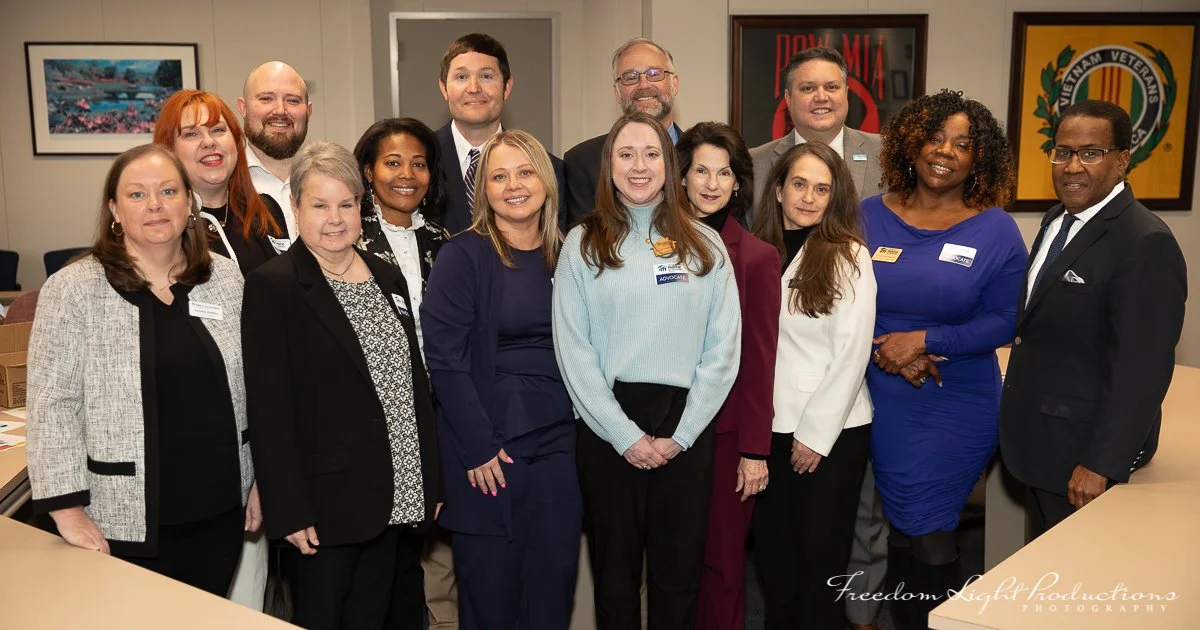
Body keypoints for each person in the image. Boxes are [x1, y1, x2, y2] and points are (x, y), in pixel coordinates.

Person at [26, 144, 258, 597]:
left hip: (220, 512)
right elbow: (52, 406)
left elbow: (256, 390)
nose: (155, 205)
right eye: (137, 194)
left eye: (168, 190)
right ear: (114, 209)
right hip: (121, 520)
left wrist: (260, 481)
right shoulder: (72, 291)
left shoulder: (227, 281)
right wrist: (67, 511)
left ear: (189, 201)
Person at [553, 112, 741, 630]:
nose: (640, 166)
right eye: (626, 154)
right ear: (607, 165)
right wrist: (623, 435)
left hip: (687, 425)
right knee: (615, 579)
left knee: (678, 578)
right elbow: (573, 349)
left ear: (670, 164)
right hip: (605, 426)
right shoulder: (582, 242)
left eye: (652, 154)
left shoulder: (706, 243)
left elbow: (723, 349)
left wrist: (680, 436)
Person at [243, 141, 441, 630]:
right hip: (327, 507)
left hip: (402, 493)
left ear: (362, 207)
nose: (335, 218)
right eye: (319, 205)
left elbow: (414, 385)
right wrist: (287, 506)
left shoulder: (387, 276)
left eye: (346, 204)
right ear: (296, 208)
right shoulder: (275, 285)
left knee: (399, 617)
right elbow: (269, 407)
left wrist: (432, 476)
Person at [863, 90, 1026, 629]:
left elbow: (1005, 321)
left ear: (979, 159)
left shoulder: (996, 228)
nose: (945, 151)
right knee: (905, 527)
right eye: (935, 137)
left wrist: (927, 340)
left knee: (930, 528)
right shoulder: (865, 216)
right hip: (881, 395)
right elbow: (833, 303)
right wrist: (888, 350)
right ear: (910, 142)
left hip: (953, 400)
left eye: (962, 144)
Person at [1000, 100, 1186, 539]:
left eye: (1090, 153)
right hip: (1042, 442)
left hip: (1083, 457)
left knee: (1073, 592)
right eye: (1062, 152)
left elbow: (1141, 370)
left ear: (1122, 160)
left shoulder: (1145, 242)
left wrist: (1102, 462)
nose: (1071, 166)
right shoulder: (1057, 219)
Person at [422, 129, 581, 630]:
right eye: (499, 175)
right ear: (483, 190)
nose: (514, 185)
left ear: (547, 180)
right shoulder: (463, 256)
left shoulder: (572, 253)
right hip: (490, 450)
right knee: (492, 597)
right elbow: (444, 359)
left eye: (525, 171)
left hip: (560, 442)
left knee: (552, 588)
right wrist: (478, 447)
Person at [748, 141, 875, 629]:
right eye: (799, 184)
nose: (808, 197)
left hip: (830, 434)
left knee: (819, 566)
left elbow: (852, 352)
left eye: (822, 189)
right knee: (775, 564)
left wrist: (815, 436)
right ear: (778, 189)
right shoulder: (758, 250)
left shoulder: (849, 255)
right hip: (766, 432)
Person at [676, 122, 779, 630]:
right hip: (662, 434)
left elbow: (761, 359)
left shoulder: (758, 258)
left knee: (722, 565)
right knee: (674, 566)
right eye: (701, 170)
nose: (712, 184)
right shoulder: (650, 246)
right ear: (682, 177)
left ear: (739, 184)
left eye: (724, 173)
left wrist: (755, 450)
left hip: (725, 437)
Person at [435, 33, 568, 236]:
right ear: (444, 88)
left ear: (507, 87)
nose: (474, 88)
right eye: (461, 77)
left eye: (486, 76)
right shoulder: (420, 163)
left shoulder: (549, 169)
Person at [155, 89, 288, 276]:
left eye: (217, 130)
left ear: (236, 142)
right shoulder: (161, 225)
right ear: (168, 151)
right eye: (191, 134)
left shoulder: (266, 210)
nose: (209, 142)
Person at [749, 48, 884, 223]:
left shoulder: (884, 154)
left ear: (846, 93)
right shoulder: (753, 164)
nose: (821, 97)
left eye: (832, 87)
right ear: (788, 99)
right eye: (808, 88)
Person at [353, 116, 451, 356]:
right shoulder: (350, 238)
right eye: (393, 163)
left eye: (418, 164)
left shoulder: (442, 240)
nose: (407, 174)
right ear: (368, 171)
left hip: (438, 384)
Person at [564, 38, 683, 228]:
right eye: (630, 77)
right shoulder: (582, 162)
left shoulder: (702, 157)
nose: (644, 84)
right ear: (617, 93)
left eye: (654, 74)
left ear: (674, 84)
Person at [238, 60, 312, 240]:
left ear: (308, 112)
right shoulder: (224, 184)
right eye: (266, 99)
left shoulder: (332, 180)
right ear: (243, 108)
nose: (280, 110)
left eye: (292, 101)